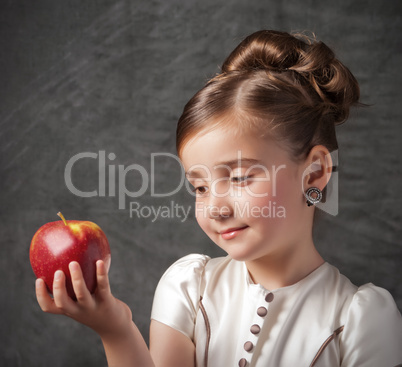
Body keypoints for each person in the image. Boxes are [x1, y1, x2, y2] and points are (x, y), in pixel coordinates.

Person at [35, 30, 402, 367]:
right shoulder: (189, 288)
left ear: (315, 172)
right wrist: (115, 329)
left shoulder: (360, 320)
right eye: (200, 187)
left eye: (241, 177)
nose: (216, 208)